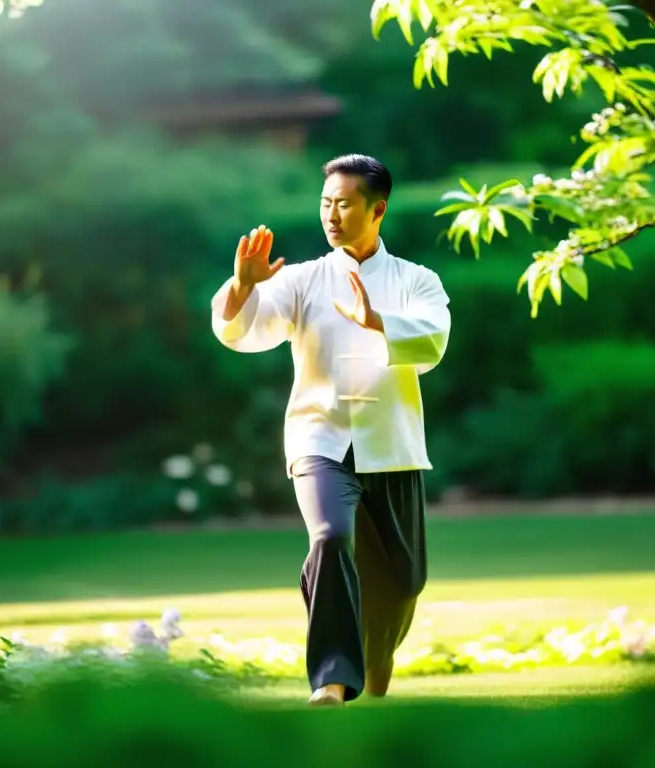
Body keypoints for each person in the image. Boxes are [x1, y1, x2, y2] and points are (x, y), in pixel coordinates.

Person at [210, 154, 451, 707]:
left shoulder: (417, 280)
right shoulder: (302, 279)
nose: (332, 215)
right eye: (326, 204)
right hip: (319, 441)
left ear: (378, 208)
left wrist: (379, 322)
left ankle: (375, 651)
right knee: (329, 538)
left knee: (404, 581)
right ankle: (334, 678)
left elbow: (434, 343)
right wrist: (244, 289)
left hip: (392, 446)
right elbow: (246, 331)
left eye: (344, 203)